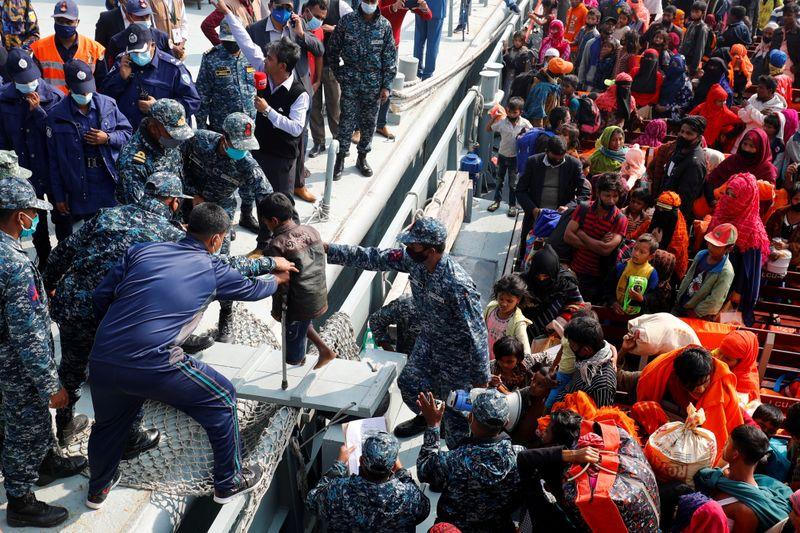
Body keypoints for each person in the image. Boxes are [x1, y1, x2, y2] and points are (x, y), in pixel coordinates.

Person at [86, 203, 291, 509]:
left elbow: (101, 297)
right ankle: (228, 482)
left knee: (108, 425)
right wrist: (278, 278)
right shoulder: (212, 267)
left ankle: (97, 490)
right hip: (155, 362)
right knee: (223, 397)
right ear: (217, 240)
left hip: (103, 358)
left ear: (186, 227)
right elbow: (253, 291)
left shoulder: (142, 251)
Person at [326, 217, 490, 447]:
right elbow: (374, 257)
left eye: (413, 246)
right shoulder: (415, 262)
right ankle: (427, 418)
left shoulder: (457, 285)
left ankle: (454, 458)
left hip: (457, 357)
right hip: (429, 340)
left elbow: (478, 335)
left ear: (431, 250)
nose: (407, 250)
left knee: (455, 418)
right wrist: (328, 250)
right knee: (409, 383)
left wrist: (482, 383)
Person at [0, 171, 88, 528]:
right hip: (16, 364)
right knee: (26, 427)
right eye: (32, 213)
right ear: (19, 216)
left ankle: (47, 462)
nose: (36, 219)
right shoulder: (14, 265)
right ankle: (21, 500)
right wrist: (51, 386)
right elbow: (29, 335)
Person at [216, 0, 324, 204]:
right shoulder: (265, 70)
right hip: (262, 151)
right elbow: (245, 41)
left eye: (270, 59)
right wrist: (226, 13)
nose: (264, 61)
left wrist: (268, 111)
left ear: (282, 66)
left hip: (282, 160)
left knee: (282, 207)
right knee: (263, 205)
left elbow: (295, 128)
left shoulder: (299, 94)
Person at [181, 112, 274, 338]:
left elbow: (268, 198)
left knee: (221, 263)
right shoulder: (198, 140)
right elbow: (177, 163)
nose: (241, 152)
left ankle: (226, 313)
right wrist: (192, 194)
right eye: (237, 145)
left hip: (220, 211)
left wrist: (278, 233)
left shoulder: (247, 164)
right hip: (186, 203)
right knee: (183, 260)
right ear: (224, 138)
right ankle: (184, 319)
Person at [416, 389, 523, 532]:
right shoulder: (520, 455)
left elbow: (424, 470)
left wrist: (433, 425)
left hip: (455, 529)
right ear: (506, 422)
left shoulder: (453, 460)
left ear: (470, 417)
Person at [0, 47, 68, 267]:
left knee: (62, 216)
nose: (29, 85)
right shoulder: (4, 100)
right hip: (24, 171)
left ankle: (64, 260)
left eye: (32, 79)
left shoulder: (55, 97)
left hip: (52, 169)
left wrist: (38, 113)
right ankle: (45, 260)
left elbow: (58, 136)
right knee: (34, 221)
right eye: (23, 81)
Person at [46, 60, 132, 225]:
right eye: (80, 91)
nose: (85, 95)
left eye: (88, 90)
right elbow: (54, 160)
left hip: (109, 180)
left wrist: (107, 138)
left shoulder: (108, 105)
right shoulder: (57, 116)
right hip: (81, 185)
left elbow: (127, 134)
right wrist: (58, 196)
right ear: (69, 87)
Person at [258, 192, 336, 368]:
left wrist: (279, 312)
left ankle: (297, 366)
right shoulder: (312, 231)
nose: (266, 225)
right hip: (317, 296)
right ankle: (325, 351)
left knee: (293, 353)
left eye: (265, 221)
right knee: (304, 324)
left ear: (274, 221)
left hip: (296, 306)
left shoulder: (276, 246)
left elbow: (282, 285)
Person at [327, 0, 397, 179]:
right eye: (366, 0)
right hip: (350, 81)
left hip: (373, 85)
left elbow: (389, 58)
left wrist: (386, 86)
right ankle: (340, 159)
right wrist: (340, 74)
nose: (369, 3)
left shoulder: (384, 26)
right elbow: (333, 49)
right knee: (346, 122)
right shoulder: (347, 22)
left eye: (373, 1)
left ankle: (362, 158)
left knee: (369, 123)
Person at [636, 346, 743, 462]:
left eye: (705, 382)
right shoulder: (663, 371)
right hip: (669, 429)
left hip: (702, 443)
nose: (701, 390)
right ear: (678, 379)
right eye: (693, 386)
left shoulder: (721, 385)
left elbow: (728, 428)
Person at [306, 432, 430, 530]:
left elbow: (312, 502)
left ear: (361, 461)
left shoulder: (338, 490)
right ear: (392, 467)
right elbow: (423, 512)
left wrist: (339, 465)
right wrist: (402, 472)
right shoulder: (409, 495)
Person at [101, 25, 200, 131]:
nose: (137, 55)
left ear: (152, 45)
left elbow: (193, 102)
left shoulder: (173, 69)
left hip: (159, 135)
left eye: (141, 51)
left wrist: (160, 108)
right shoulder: (122, 62)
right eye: (133, 52)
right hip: (126, 134)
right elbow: (104, 97)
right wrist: (121, 78)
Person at [695, 425, 793, 531]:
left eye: (728, 442)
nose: (724, 445)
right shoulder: (721, 477)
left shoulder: (745, 511)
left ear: (735, 454)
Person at [711, 173, 772, 326]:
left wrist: (737, 292)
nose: (728, 198)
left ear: (746, 199)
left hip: (731, 291)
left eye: (734, 195)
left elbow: (748, 271)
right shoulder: (722, 213)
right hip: (711, 283)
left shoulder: (752, 231)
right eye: (728, 193)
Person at [515, 136, 586, 266]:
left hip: (560, 220)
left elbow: (585, 193)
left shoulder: (574, 165)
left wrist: (569, 208)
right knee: (527, 255)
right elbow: (520, 190)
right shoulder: (533, 162)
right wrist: (534, 210)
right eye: (554, 159)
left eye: (560, 159)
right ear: (547, 151)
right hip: (535, 218)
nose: (557, 162)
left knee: (553, 256)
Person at [115, 98, 194, 204]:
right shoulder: (133, 161)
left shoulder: (167, 142)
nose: (177, 139)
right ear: (153, 128)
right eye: (172, 134)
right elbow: (140, 209)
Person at [564, 173, 628, 301]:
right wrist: (598, 244)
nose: (611, 200)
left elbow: (605, 250)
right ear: (598, 193)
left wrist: (581, 234)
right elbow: (568, 236)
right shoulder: (583, 208)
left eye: (615, 196)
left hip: (597, 278)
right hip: (574, 270)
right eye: (607, 195)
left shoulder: (620, 219)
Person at [30, 0, 106, 95]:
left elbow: (102, 86)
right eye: (60, 21)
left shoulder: (95, 49)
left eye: (69, 22)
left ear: (77, 22)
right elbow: (35, 83)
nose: (64, 25)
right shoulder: (40, 48)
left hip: (83, 105)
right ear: (54, 21)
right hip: (51, 105)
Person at [195, 21, 256, 135]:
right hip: (223, 127)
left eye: (234, 39)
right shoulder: (211, 58)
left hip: (251, 125)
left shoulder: (252, 54)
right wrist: (202, 129)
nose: (231, 43)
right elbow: (202, 95)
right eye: (227, 40)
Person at [674, 223, 737, 320]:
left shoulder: (726, 272)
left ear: (729, 248)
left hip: (698, 315)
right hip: (682, 304)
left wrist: (696, 312)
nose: (711, 247)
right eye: (710, 243)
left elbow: (715, 300)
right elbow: (688, 277)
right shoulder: (701, 255)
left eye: (716, 246)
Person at [521, 243, 584, 338]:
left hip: (553, 337)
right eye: (538, 276)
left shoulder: (566, 284)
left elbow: (579, 306)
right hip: (523, 333)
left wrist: (560, 321)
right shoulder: (523, 282)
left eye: (546, 276)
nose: (541, 279)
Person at [487, 97, 532, 216]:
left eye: (515, 112)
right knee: (499, 181)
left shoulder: (525, 124)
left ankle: (512, 205)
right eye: (510, 111)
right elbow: (488, 129)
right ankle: (496, 202)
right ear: (507, 110)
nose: (512, 114)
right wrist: (493, 119)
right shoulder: (501, 123)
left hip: (515, 158)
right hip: (502, 155)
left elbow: (532, 135)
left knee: (513, 184)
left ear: (520, 112)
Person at [632, 190, 690, 279]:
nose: (661, 212)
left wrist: (657, 243)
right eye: (659, 209)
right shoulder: (649, 224)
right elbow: (633, 238)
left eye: (665, 210)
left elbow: (671, 262)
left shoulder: (679, 235)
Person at [659, 115, 707, 222]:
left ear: (698, 138)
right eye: (682, 131)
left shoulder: (695, 163)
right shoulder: (680, 149)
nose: (683, 135)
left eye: (689, 133)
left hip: (674, 215)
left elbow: (685, 199)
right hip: (663, 205)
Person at [103, 0, 174, 66]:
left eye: (147, 16)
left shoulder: (162, 37)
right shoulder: (117, 41)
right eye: (140, 17)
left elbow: (171, 64)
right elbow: (110, 70)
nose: (145, 20)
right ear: (128, 16)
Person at [708, 129, 777, 195]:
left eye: (751, 146)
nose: (746, 149)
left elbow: (768, 195)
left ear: (761, 149)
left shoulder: (767, 170)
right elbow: (712, 179)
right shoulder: (733, 160)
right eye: (745, 144)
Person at [484, 274, 532, 358]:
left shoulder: (518, 323)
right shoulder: (490, 308)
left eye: (509, 301)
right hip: (484, 356)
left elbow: (526, 352)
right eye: (501, 299)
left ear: (518, 300)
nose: (504, 303)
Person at [612, 233, 659, 314]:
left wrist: (642, 299)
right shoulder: (621, 267)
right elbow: (608, 288)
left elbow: (654, 296)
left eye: (642, 252)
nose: (636, 253)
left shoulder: (651, 273)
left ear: (650, 256)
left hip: (637, 315)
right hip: (616, 312)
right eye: (635, 249)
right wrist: (613, 302)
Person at [688, 83, 743, 153]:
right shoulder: (701, 108)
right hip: (695, 141)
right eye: (720, 101)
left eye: (724, 101)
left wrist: (728, 135)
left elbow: (740, 123)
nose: (723, 103)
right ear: (712, 100)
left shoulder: (725, 112)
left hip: (713, 146)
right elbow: (689, 119)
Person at [714, 330, 760, 403]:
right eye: (719, 352)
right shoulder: (716, 359)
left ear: (742, 361)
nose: (719, 359)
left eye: (727, 359)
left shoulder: (745, 389)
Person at [766, 181, 800, 270]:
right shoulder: (779, 213)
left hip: (795, 263)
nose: (799, 202)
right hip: (772, 256)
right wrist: (772, 245)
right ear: (790, 199)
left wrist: (788, 246)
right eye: (796, 199)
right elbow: (766, 232)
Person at [200, 0, 265, 45]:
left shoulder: (256, 1)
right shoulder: (228, 5)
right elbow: (206, 26)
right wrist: (221, 46)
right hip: (242, 54)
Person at [413, 0, 445, 79]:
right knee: (433, 43)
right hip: (437, 8)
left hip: (421, 6)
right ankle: (427, 74)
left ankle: (416, 70)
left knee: (419, 41)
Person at [678, 1, 711, 75]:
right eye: (692, 11)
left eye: (697, 12)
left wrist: (693, 68)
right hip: (683, 57)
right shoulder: (690, 24)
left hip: (690, 61)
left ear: (702, 13)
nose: (694, 14)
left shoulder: (702, 28)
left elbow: (700, 49)